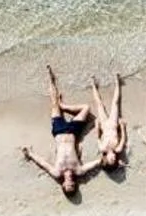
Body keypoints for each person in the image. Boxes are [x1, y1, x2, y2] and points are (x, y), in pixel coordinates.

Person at [21, 65, 101, 199]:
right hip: (72, 132)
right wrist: (110, 161)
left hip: (58, 131)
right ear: (75, 184)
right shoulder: (78, 171)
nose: (69, 183)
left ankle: (50, 79)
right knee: (86, 108)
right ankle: (64, 106)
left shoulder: (57, 172)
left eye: (67, 185)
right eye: (72, 185)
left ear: (62, 185)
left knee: (53, 104)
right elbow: (96, 163)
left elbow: (43, 163)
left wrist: (30, 154)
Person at [91, 72, 128, 172]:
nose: (113, 158)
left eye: (110, 160)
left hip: (103, 124)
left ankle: (93, 85)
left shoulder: (102, 148)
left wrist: (96, 125)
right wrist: (122, 126)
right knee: (115, 103)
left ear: (105, 159)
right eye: (114, 160)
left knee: (99, 104)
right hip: (113, 123)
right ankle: (117, 82)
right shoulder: (118, 149)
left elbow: (97, 136)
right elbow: (123, 138)